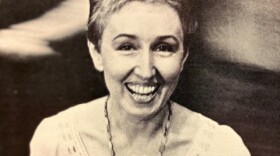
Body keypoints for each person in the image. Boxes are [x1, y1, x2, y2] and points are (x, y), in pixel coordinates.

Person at [30, 0, 251, 155]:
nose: (146, 71)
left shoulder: (221, 149)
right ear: (96, 53)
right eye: (127, 47)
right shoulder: (57, 141)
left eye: (164, 47)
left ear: (184, 57)